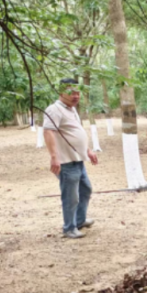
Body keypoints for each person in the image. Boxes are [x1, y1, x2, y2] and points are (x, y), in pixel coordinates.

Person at [43, 78, 99, 239]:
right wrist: (54, 157)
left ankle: (79, 221)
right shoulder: (54, 109)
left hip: (78, 160)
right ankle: (69, 228)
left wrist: (87, 150)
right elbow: (48, 132)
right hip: (66, 162)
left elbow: (76, 131)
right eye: (72, 93)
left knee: (85, 189)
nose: (76, 96)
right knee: (70, 197)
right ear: (61, 92)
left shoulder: (71, 109)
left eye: (78, 93)